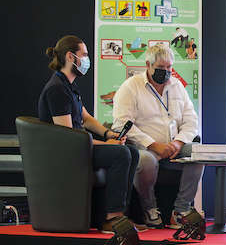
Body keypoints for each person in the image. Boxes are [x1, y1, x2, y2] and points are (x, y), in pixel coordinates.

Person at [38, 35, 140, 234]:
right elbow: (69, 137)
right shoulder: (57, 90)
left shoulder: (68, 86)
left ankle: (119, 213)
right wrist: (108, 144)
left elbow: (85, 118)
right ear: (70, 57)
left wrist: (110, 134)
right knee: (121, 154)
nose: (87, 60)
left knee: (131, 152)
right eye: (84, 55)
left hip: (79, 146)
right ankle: (111, 218)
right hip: (67, 152)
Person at [112, 44, 204, 229]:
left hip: (173, 146)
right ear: (148, 64)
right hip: (144, 147)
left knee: (199, 152)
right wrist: (153, 144)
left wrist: (178, 142)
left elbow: (191, 120)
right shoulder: (131, 87)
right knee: (146, 161)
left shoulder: (177, 86)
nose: (166, 72)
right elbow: (122, 124)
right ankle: (150, 209)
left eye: (169, 67)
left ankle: (180, 210)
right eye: (161, 68)